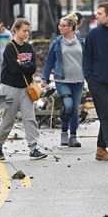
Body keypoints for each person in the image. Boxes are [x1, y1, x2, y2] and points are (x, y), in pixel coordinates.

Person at [0, 18, 46, 161]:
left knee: (30, 118)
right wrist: (25, 67)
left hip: (26, 89)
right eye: (24, 30)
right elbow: (13, 68)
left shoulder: (28, 48)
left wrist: (23, 66)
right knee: (8, 120)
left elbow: (33, 67)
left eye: (28, 31)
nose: (26, 33)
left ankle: (33, 147)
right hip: (10, 87)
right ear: (15, 30)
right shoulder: (10, 47)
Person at [83, 2, 108, 162]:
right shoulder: (93, 34)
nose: (96, 16)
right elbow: (87, 58)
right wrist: (89, 78)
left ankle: (100, 149)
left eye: (100, 13)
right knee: (105, 115)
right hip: (97, 81)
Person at [42, 15, 85, 148]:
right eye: (60, 25)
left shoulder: (81, 42)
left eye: (64, 25)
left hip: (78, 80)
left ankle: (72, 136)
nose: (61, 28)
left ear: (71, 27)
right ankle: (63, 131)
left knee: (75, 109)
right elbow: (49, 61)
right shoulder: (57, 42)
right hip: (62, 79)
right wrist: (45, 78)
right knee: (68, 105)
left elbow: (88, 59)